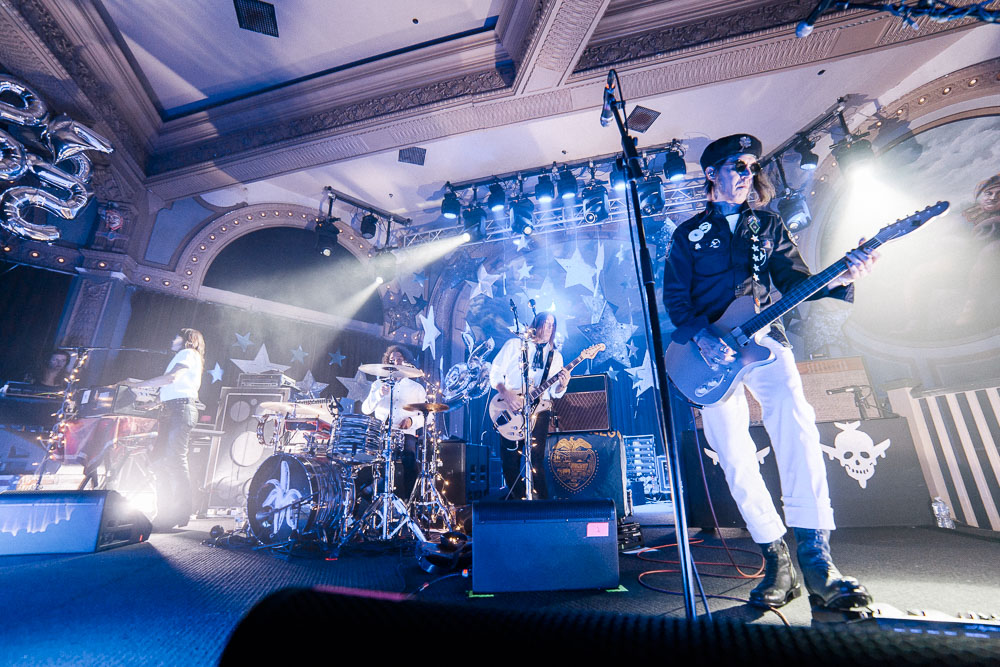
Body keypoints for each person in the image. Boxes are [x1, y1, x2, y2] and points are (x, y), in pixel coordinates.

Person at [662, 134, 877, 610]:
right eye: (737, 165)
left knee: (796, 423)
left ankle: (817, 558)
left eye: (751, 165)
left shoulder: (768, 223)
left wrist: (841, 276)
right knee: (733, 454)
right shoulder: (689, 235)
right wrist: (701, 336)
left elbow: (796, 281)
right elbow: (676, 300)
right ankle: (775, 558)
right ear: (711, 173)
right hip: (709, 356)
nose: (746, 172)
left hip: (764, 341)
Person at [489, 311, 570, 500]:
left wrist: (563, 384)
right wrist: (505, 393)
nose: (549, 328)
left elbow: (555, 392)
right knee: (510, 459)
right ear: (536, 325)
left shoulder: (555, 356)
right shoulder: (515, 345)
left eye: (552, 325)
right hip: (511, 405)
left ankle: (541, 504)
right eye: (546, 324)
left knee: (536, 458)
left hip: (540, 409)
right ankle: (517, 502)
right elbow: (495, 371)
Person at [133, 328, 204, 530]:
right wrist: (153, 402)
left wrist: (140, 386)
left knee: (174, 461)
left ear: (187, 340)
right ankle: (166, 511)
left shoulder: (188, 353)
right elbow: (173, 388)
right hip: (172, 409)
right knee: (159, 462)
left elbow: (172, 378)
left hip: (180, 410)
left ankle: (178, 512)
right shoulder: (184, 356)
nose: (172, 339)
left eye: (176, 336)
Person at [361, 345, 425, 497]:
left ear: (406, 362)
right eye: (392, 360)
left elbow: (427, 416)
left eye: (399, 359)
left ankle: (410, 502)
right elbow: (365, 409)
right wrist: (378, 395)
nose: (395, 363)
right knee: (369, 461)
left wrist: (411, 421)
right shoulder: (378, 385)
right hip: (381, 434)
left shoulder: (416, 388)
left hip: (405, 434)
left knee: (409, 459)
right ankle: (371, 494)